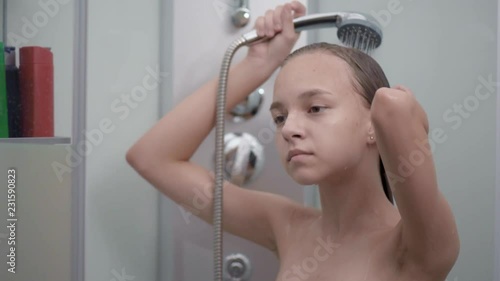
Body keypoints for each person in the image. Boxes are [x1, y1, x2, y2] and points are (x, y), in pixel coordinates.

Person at [126, 1, 460, 280]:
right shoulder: (287, 226)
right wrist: (257, 66)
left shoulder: (415, 247)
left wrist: (398, 121)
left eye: (315, 108)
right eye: (280, 117)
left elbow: (393, 117)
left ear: (374, 125)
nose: (287, 130)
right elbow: (152, 157)